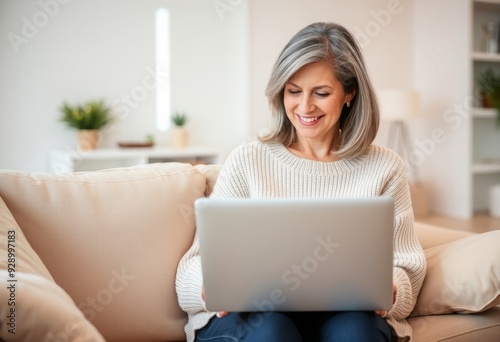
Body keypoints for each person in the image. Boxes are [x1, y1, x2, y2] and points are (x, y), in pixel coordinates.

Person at [176, 22, 426, 342]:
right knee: (271, 331)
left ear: (349, 93)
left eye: (321, 93)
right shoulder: (248, 160)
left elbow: (407, 267)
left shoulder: (385, 167)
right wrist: (207, 285)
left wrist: (392, 285)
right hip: (257, 316)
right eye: (294, 91)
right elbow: (193, 265)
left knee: (355, 332)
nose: (305, 107)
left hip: (348, 314)